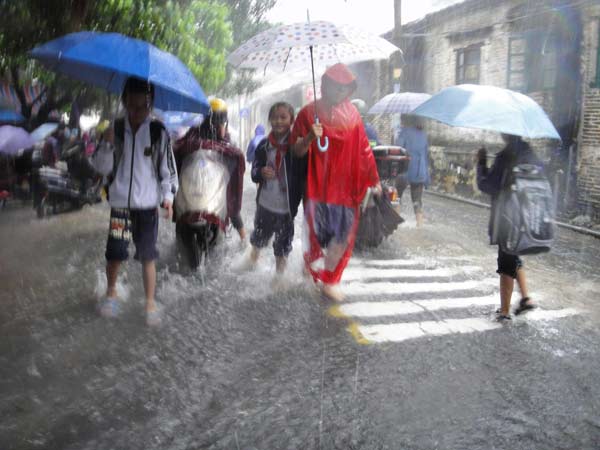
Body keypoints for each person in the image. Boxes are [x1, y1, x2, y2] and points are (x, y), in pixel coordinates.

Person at [91, 77, 178, 327]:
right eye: (131, 105)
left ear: (150, 105)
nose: (136, 112)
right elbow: (100, 168)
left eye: (142, 107)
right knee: (115, 253)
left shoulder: (158, 132)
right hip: (120, 206)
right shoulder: (114, 130)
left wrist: (168, 199)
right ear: (124, 101)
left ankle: (150, 302)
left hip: (148, 208)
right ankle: (111, 293)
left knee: (148, 255)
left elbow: (167, 171)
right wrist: (107, 143)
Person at [292, 63, 381, 302]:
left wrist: (374, 179)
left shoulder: (352, 115)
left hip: (346, 190)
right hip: (316, 187)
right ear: (325, 85)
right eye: (335, 86)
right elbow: (296, 151)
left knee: (343, 236)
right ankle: (311, 269)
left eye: (345, 87)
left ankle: (330, 280)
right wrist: (311, 135)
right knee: (315, 235)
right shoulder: (307, 114)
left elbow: (364, 151)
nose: (339, 91)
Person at [476, 133, 539, 321]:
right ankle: (525, 298)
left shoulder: (506, 156)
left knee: (506, 262)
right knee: (513, 254)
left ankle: (504, 312)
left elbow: (488, 185)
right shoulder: (529, 153)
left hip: (507, 217)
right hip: (527, 214)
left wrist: (481, 163)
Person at [244, 102, 306, 278]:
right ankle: (251, 263)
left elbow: (304, 174)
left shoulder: (297, 147)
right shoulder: (264, 146)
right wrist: (261, 172)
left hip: (286, 208)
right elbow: (254, 172)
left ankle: (279, 279)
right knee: (258, 239)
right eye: (275, 117)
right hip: (265, 204)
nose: (278, 121)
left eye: (283, 117)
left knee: (282, 247)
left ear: (291, 120)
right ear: (269, 119)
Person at [173, 97, 247, 243]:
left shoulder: (227, 143)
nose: (218, 125)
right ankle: (178, 239)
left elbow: (233, 160)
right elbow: (179, 155)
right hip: (194, 184)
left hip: (214, 186)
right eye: (215, 121)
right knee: (180, 206)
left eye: (221, 121)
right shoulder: (193, 137)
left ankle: (244, 240)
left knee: (231, 202)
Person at [394, 115, 430, 227]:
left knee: (396, 196)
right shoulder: (423, 135)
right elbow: (426, 155)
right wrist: (427, 178)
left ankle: (395, 223)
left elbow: (399, 150)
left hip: (404, 170)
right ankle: (419, 225)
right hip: (420, 171)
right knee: (417, 200)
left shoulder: (403, 132)